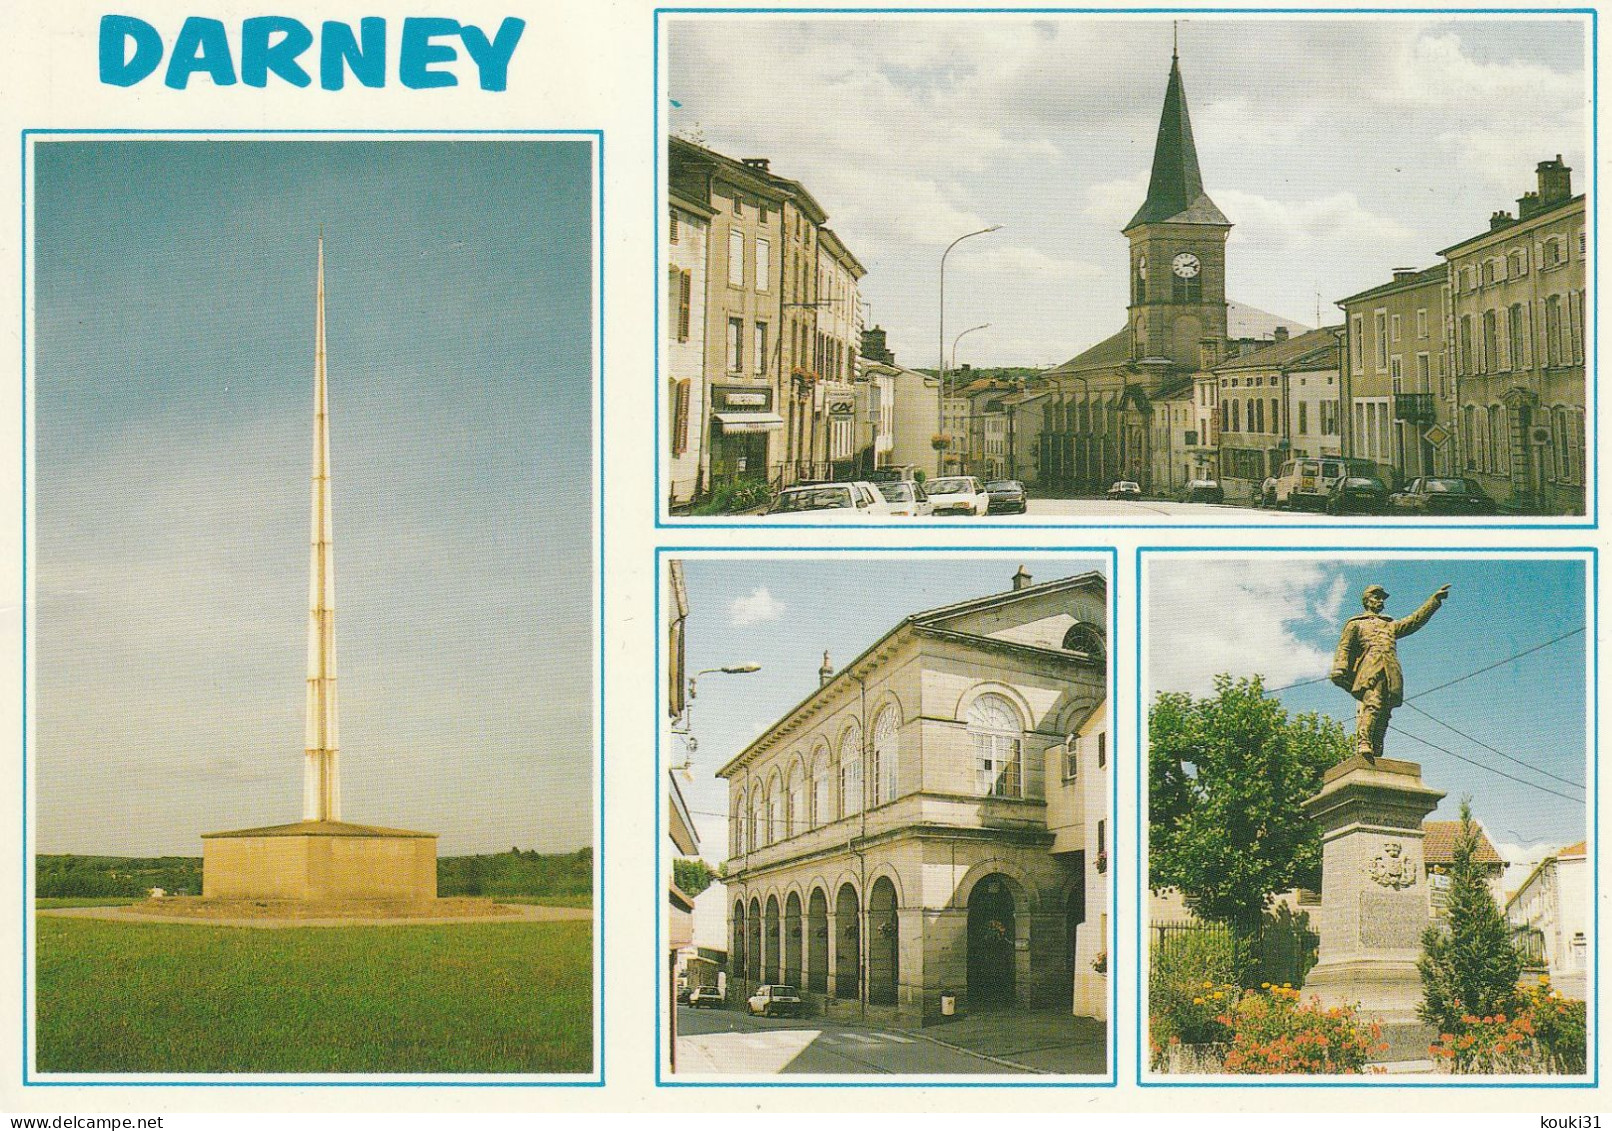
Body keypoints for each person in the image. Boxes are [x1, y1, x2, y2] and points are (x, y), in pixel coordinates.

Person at [1330, 582, 1450, 760]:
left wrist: (1433, 602)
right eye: (1376, 597)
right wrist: (1339, 668)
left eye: (1382, 599)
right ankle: (1364, 742)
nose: (1380, 601)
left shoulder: (1390, 624)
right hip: (1370, 669)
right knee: (1373, 704)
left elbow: (1414, 621)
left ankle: (1376, 748)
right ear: (1367, 600)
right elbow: (1345, 647)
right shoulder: (1356, 624)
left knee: (1385, 713)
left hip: (1391, 672)